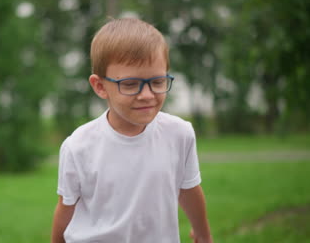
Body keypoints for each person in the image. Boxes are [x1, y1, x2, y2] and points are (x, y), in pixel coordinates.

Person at [51, 18, 213, 243]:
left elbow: (189, 190)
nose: (147, 95)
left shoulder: (180, 134)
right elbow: (66, 208)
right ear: (100, 86)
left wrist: (203, 235)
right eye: (129, 84)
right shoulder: (78, 146)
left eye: (157, 82)